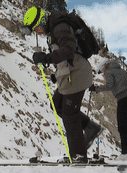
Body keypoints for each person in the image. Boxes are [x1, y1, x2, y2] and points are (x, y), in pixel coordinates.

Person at [23, 7, 102, 162]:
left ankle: (78, 155)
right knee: (57, 104)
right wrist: (55, 75)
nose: (38, 32)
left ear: (42, 20)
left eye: (37, 27)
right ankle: (90, 128)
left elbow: (68, 51)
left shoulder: (60, 27)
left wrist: (46, 58)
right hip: (70, 74)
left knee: (69, 112)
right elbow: (64, 58)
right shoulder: (54, 29)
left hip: (78, 73)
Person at [90, 59, 127, 160]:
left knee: (121, 126)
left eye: (102, 71)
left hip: (123, 99)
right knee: (124, 125)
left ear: (105, 67)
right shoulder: (121, 70)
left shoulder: (109, 72)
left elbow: (109, 86)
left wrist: (96, 89)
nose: (102, 73)